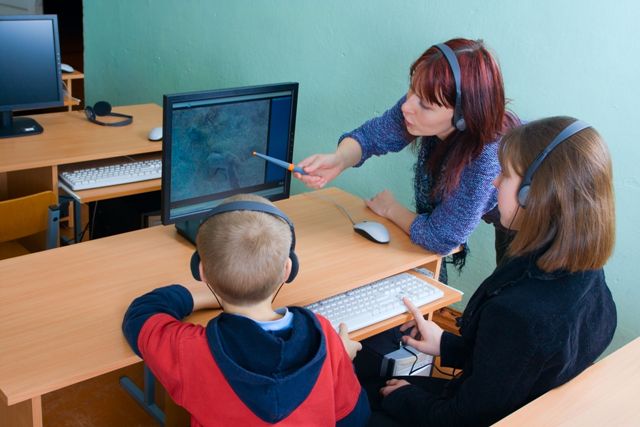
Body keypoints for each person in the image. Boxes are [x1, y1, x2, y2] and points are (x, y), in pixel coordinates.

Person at [366, 117, 617, 426]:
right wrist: (446, 346)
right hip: (517, 406)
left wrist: (406, 399)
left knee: (362, 399)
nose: (495, 182)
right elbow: (518, 363)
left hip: (474, 415)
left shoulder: (521, 314)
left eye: (506, 175)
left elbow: (463, 417)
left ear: (532, 195)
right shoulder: (584, 269)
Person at [122, 194, 370, 426]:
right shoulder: (323, 338)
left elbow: (140, 316)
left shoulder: (192, 351)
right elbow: (355, 418)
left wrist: (197, 296)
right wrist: (340, 360)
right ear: (288, 269)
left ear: (201, 271)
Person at [297, 38, 520, 279]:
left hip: (545, 220)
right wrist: (339, 160)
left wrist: (391, 209)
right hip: (507, 213)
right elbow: (371, 136)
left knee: (510, 298)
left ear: (463, 116)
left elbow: (441, 237)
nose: (407, 106)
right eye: (412, 89)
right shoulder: (419, 105)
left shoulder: (487, 155)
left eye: (424, 104)